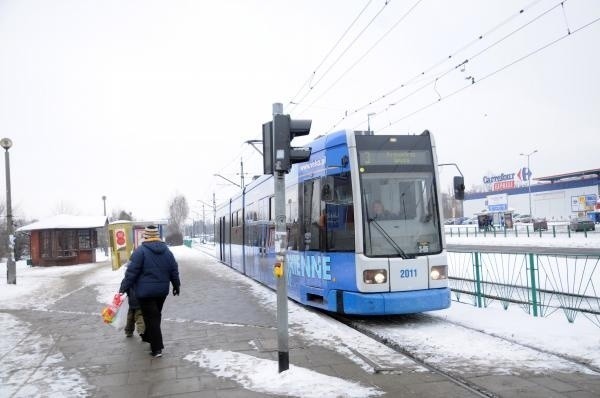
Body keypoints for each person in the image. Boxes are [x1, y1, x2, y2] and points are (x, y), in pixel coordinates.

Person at [119, 225, 180, 358]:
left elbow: (131, 273)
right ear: (158, 236)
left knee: (151, 318)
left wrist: (123, 287)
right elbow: (173, 270)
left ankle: (157, 348)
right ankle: (149, 338)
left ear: (145, 236)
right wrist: (176, 285)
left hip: (145, 293)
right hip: (161, 292)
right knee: (155, 316)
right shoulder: (167, 251)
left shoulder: (140, 252)